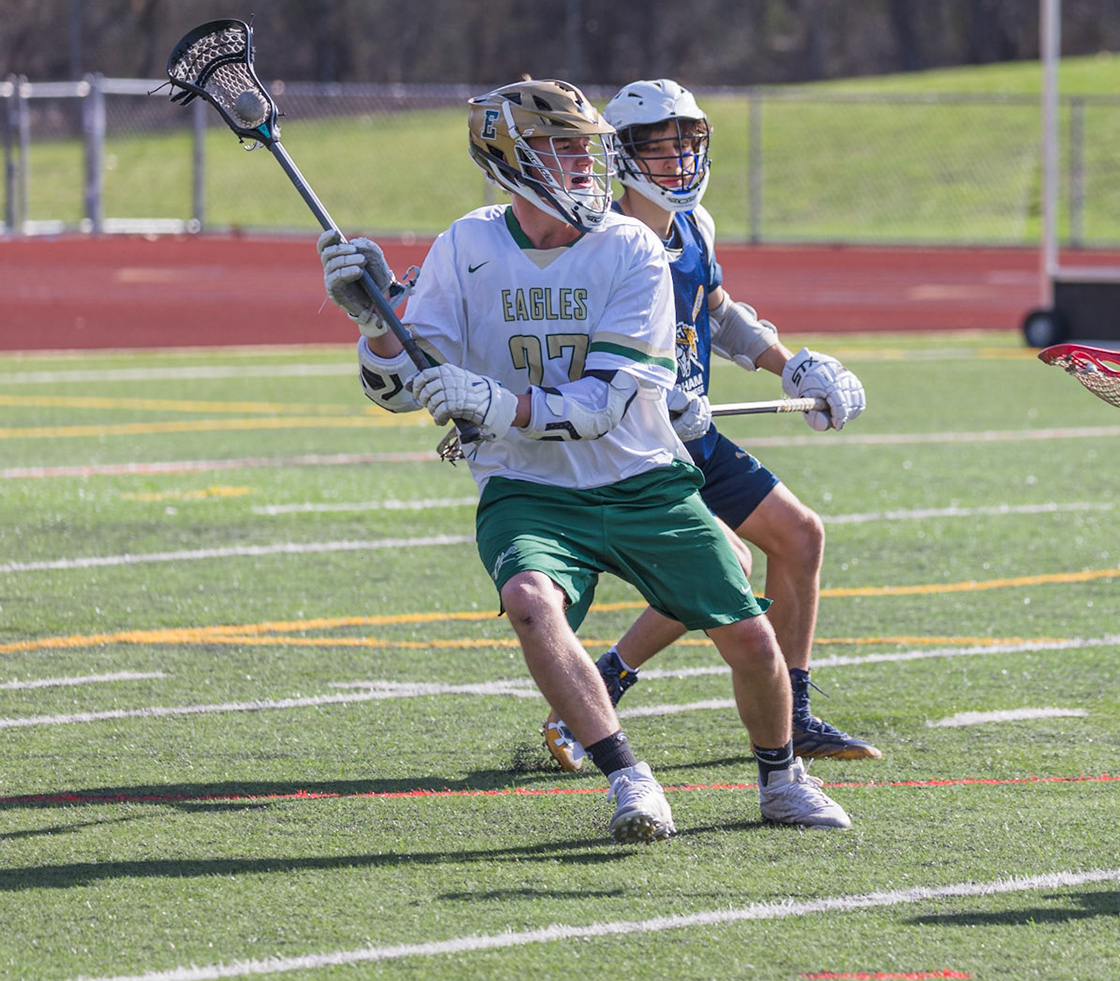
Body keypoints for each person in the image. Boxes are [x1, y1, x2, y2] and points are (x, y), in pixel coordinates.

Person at [316, 78, 851, 844]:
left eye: (586, 149)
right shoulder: (465, 246)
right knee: (529, 600)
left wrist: (493, 401)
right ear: (510, 157)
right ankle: (629, 777)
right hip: (527, 484)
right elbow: (399, 389)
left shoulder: (631, 246)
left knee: (749, 637)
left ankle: (782, 778)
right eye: (563, 148)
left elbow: (602, 404)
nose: (584, 165)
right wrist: (375, 326)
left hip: (641, 477)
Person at [538, 79, 879, 771]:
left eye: (686, 144)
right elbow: (571, 345)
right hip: (633, 443)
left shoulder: (694, 224)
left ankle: (795, 715)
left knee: (801, 536)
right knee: (726, 564)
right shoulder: (601, 240)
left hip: (693, 434)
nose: (678, 161)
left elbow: (716, 312)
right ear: (623, 155)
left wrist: (792, 365)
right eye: (659, 148)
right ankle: (606, 680)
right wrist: (650, 394)